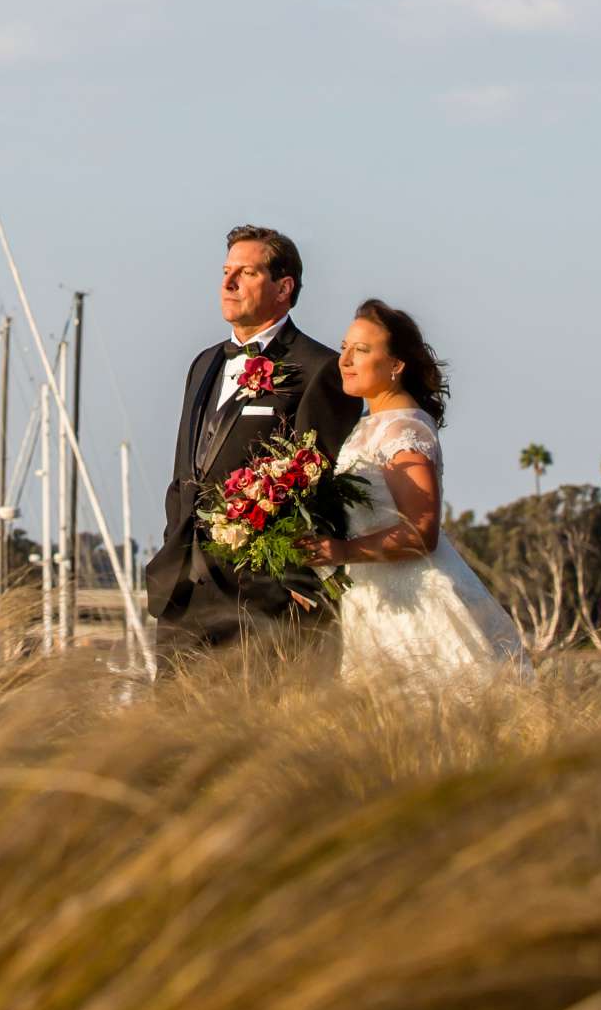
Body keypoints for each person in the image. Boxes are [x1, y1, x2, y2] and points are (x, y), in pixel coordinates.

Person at [144, 223, 360, 664]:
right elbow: (185, 472)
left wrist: (296, 583)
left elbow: (324, 487)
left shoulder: (319, 369)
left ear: (284, 287)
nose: (228, 283)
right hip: (182, 591)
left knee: (249, 729)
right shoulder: (203, 363)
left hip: (262, 597)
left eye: (246, 272)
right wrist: (172, 548)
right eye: (226, 271)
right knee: (167, 729)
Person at [298, 297, 526, 689]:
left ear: (396, 365)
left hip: (416, 599)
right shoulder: (372, 422)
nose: (345, 360)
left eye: (362, 350)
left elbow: (422, 531)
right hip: (374, 594)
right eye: (344, 348)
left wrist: (342, 551)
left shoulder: (404, 430)